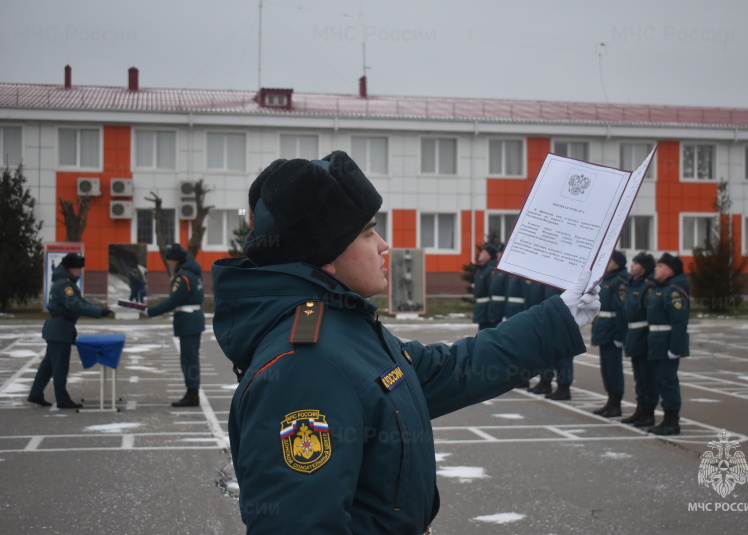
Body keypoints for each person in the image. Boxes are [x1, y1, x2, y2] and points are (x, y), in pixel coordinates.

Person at [212, 151, 600, 534]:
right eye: (367, 233)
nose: (383, 245)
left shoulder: (343, 325)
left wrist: (558, 318)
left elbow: (450, 370)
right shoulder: (306, 364)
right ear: (324, 258)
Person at [28, 253, 111, 409]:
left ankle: (36, 393)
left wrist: (99, 309)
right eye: (79, 268)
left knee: (49, 365)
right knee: (60, 366)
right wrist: (98, 312)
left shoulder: (64, 283)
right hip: (60, 329)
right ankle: (62, 399)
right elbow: (75, 305)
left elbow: (81, 302)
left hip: (58, 328)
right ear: (71, 268)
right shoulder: (65, 286)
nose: (80, 271)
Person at [144, 244, 205, 407]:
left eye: (169, 259)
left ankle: (192, 394)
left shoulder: (183, 277)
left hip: (188, 320)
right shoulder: (193, 274)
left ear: (175, 259)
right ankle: (192, 392)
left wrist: (151, 311)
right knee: (190, 358)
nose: (169, 262)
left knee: (189, 359)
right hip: (193, 319)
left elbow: (173, 301)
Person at [645, 253, 690, 435]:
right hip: (657, 342)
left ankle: (672, 421)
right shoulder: (661, 289)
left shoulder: (674, 293)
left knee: (668, 382)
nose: (655, 269)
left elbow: (679, 323)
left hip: (666, 344)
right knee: (661, 382)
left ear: (669, 271)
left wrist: (675, 348)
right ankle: (666, 419)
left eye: (660, 266)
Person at [618, 252, 658, 427]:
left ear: (644, 268)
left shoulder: (648, 286)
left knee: (648, 376)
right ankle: (640, 409)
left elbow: (651, 314)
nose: (632, 266)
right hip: (633, 334)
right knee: (639, 377)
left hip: (644, 334)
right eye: (632, 263)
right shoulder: (631, 284)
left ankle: (649, 412)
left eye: (636, 263)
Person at [590, 250, 629, 417]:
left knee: (613, 368)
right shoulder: (607, 280)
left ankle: (616, 403)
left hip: (613, 330)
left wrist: (620, 336)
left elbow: (622, 310)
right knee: (606, 368)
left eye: (610, 260)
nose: (607, 263)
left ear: (618, 263)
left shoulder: (620, 282)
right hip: (603, 328)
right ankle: (610, 401)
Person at [472, 243, 499, 330]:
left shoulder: (491, 270)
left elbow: (492, 291)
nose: (480, 254)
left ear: (489, 255)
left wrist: (491, 313)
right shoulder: (482, 269)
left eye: (483, 252)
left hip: (488, 312)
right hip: (482, 311)